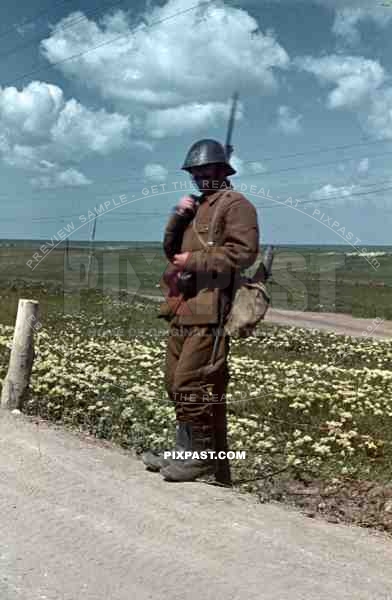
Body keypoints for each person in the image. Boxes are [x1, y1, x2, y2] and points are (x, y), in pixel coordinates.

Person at [142, 138, 260, 483]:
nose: (199, 176)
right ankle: (183, 452)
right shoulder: (197, 205)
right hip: (183, 306)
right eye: (195, 171)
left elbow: (243, 253)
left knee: (191, 382)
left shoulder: (235, 204)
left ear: (223, 170)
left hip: (212, 308)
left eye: (206, 169)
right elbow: (169, 250)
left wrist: (194, 260)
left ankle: (202, 459)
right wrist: (178, 217)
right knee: (173, 382)